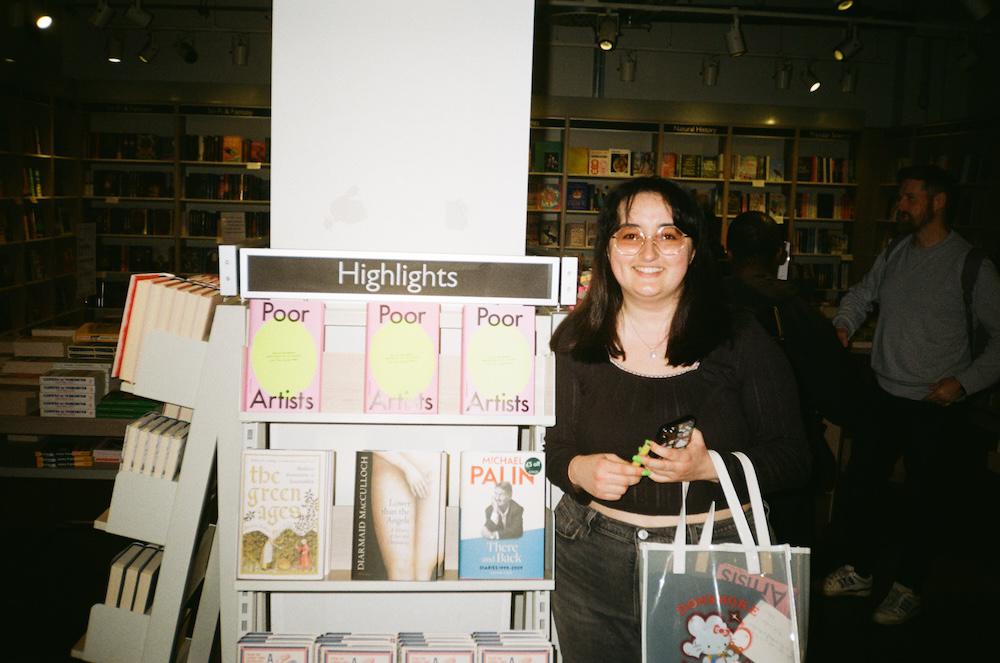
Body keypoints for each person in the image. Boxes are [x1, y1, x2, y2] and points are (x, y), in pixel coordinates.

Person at [545, 176, 810, 663]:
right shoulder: (574, 340)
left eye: (668, 235)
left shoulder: (741, 338)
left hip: (718, 562)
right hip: (591, 561)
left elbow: (795, 458)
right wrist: (578, 471)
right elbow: (554, 448)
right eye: (630, 234)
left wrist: (709, 467)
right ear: (608, 249)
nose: (648, 251)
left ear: (692, 250)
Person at [823, 164, 1000, 625]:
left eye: (909, 198)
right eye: (900, 197)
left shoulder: (972, 265)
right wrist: (844, 321)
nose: (899, 205)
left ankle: (908, 587)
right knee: (864, 490)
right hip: (882, 394)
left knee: (925, 500)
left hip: (933, 406)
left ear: (937, 202)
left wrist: (964, 382)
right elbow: (862, 294)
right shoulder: (896, 250)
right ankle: (860, 570)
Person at [723, 210, 856, 546]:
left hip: (719, 463)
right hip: (785, 463)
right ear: (779, 253)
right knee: (786, 571)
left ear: (728, 251)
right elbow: (839, 394)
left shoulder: (702, 306)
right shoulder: (801, 312)